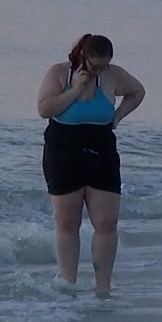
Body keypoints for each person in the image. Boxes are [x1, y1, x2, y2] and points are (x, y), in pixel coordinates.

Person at [36, 34, 145, 298]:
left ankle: (103, 287)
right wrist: (74, 91)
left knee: (106, 221)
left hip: (101, 149)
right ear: (82, 56)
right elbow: (44, 109)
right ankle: (68, 284)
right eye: (95, 65)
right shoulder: (60, 73)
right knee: (68, 220)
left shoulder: (112, 75)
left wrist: (117, 117)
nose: (99, 70)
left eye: (104, 65)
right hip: (63, 150)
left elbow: (138, 91)